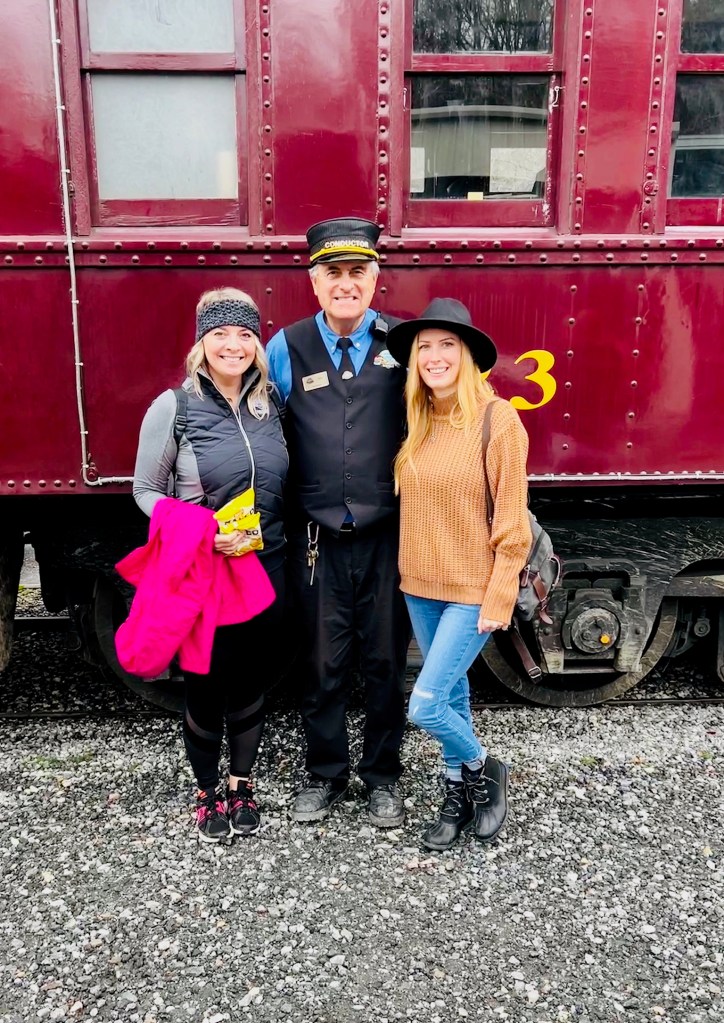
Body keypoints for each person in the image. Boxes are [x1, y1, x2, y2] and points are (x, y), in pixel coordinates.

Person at [266, 217, 410, 828]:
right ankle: (324, 773)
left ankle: (382, 777)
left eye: (357, 271)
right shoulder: (285, 346)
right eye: (333, 273)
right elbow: (263, 428)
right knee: (321, 663)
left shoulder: (404, 343)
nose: (345, 283)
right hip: (315, 538)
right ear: (314, 281)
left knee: (385, 662)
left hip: (388, 534)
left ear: (375, 279)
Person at [132, 287, 288, 842]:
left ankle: (242, 784)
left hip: (266, 564)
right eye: (220, 333)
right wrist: (203, 532)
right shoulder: (173, 406)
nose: (233, 345)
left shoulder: (270, 404)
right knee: (205, 686)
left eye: (244, 334)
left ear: (256, 344)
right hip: (206, 572)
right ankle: (206, 793)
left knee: (251, 683)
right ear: (202, 342)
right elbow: (146, 491)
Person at [387, 298, 532, 851]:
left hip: (471, 588)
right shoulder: (420, 421)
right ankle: (457, 792)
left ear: (468, 356)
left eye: (447, 345)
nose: (434, 356)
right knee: (453, 697)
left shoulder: (499, 420)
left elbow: (512, 520)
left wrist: (500, 592)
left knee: (424, 704)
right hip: (419, 586)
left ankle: (483, 766)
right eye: (424, 347)